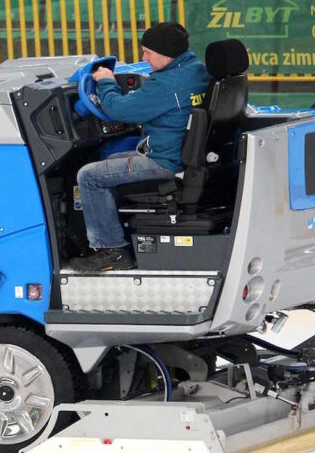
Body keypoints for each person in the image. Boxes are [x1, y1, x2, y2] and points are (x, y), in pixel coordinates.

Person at [71, 22, 211, 272]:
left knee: (88, 176)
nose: (144, 58)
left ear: (167, 53)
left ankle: (112, 250)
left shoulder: (167, 84)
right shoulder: (195, 70)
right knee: (110, 158)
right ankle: (117, 232)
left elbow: (118, 109)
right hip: (177, 154)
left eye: (148, 52)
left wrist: (106, 82)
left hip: (164, 162)